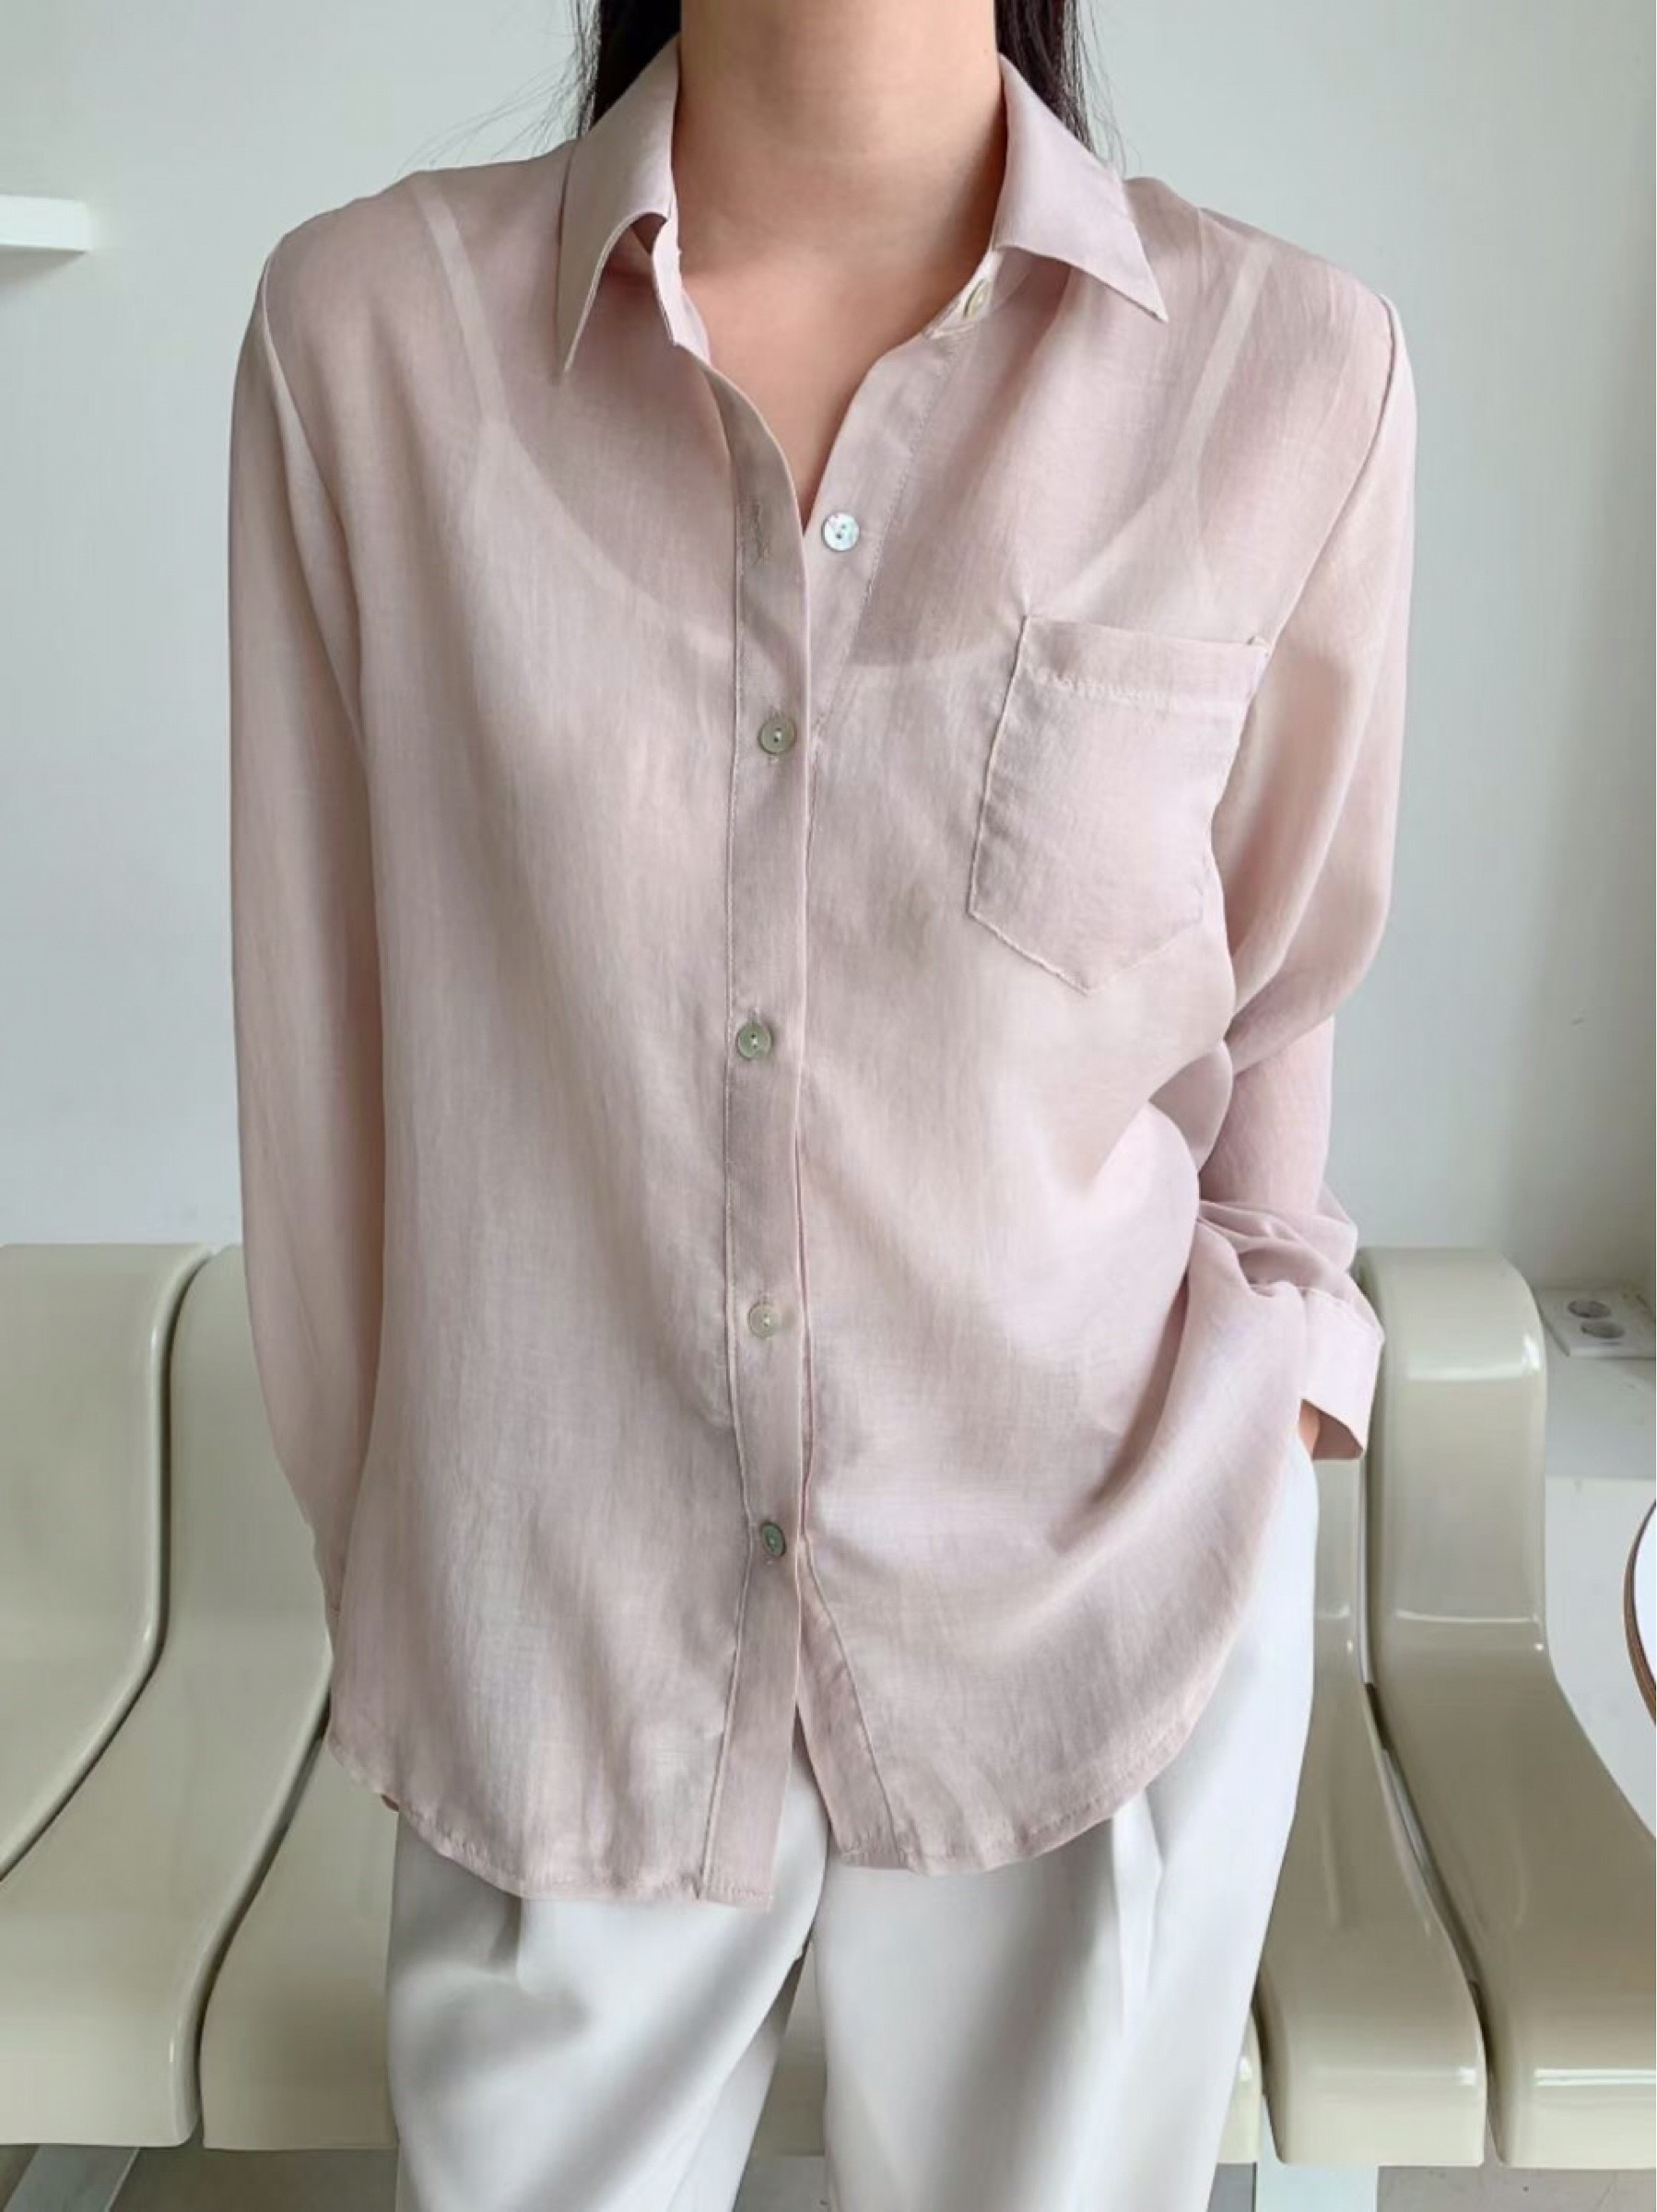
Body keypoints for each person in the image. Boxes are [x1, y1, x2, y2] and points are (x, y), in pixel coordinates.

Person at [225, 2, 1417, 2206]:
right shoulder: (368, 342)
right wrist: (425, 1571)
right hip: (553, 1623)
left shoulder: (1285, 370)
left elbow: (1270, 999)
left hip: (1096, 1614)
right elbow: (327, 1082)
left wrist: (1287, 1392)